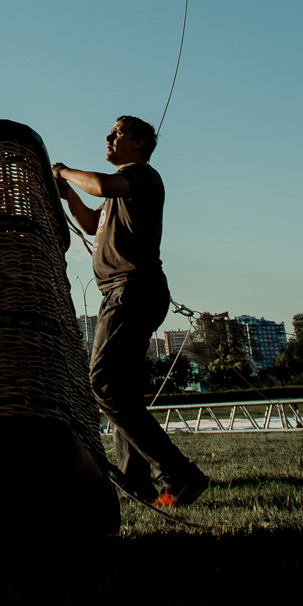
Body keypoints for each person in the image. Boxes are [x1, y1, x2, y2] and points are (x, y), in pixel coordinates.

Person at [53, 115, 210, 508]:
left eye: (118, 133)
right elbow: (90, 224)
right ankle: (138, 484)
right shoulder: (118, 193)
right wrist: (70, 196)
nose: (108, 137)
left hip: (132, 290)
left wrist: (64, 172)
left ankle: (179, 474)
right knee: (123, 392)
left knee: (104, 384)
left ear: (139, 143)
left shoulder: (141, 176)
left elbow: (102, 183)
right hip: (122, 293)